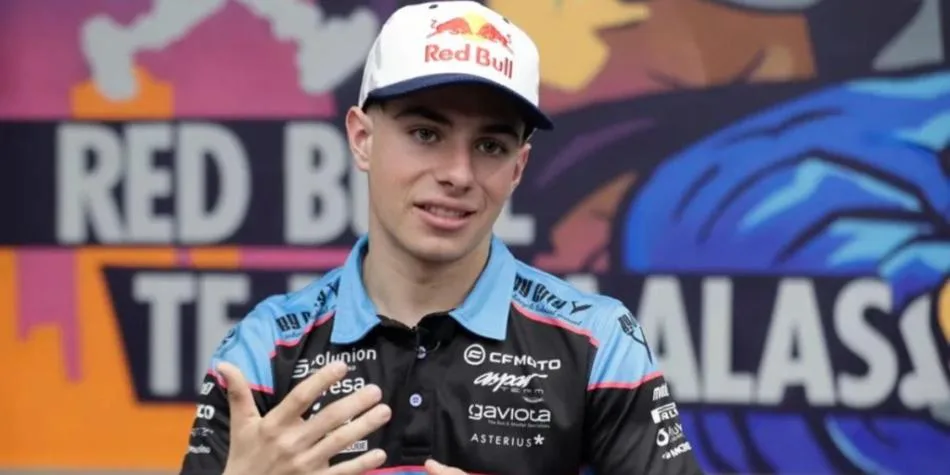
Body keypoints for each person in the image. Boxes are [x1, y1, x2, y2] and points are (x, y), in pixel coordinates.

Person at [179, 1, 702, 474]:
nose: (458, 173)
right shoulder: (267, 344)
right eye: (426, 134)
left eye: (491, 146)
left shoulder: (599, 342)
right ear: (362, 138)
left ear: (519, 168)